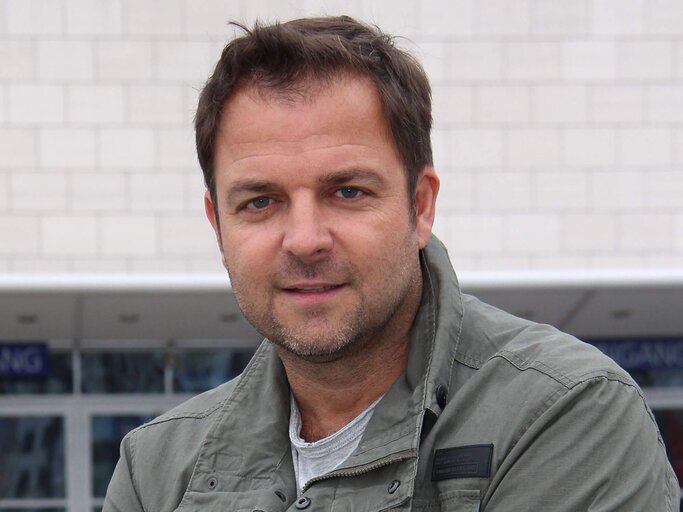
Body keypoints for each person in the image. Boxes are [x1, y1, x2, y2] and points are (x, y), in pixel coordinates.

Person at [103, 16, 680, 511]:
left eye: (348, 192)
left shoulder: (567, 414)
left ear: (420, 205)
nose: (304, 240)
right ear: (218, 227)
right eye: (260, 202)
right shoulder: (155, 469)